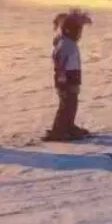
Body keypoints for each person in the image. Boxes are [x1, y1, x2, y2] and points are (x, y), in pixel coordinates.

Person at [44, 9, 92, 141]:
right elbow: (59, 61)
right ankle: (58, 131)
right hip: (66, 79)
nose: (80, 35)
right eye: (79, 31)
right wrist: (62, 76)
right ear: (71, 31)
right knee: (66, 106)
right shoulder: (66, 44)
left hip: (72, 78)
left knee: (72, 105)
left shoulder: (69, 43)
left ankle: (69, 126)